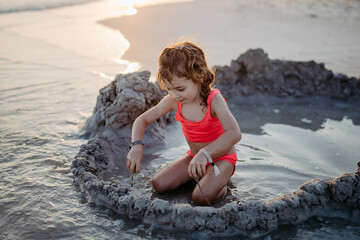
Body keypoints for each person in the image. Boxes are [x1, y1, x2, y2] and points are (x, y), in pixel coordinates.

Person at [126, 41, 242, 206]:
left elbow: (234, 133)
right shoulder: (174, 100)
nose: (175, 94)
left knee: (201, 197)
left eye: (180, 89)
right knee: (158, 184)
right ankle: (203, 177)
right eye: (169, 89)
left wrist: (205, 154)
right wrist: (136, 146)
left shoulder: (213, 100)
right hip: (195, 157)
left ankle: (221, 185)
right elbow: (142, 119)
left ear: (199, 77)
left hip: (222, 159)